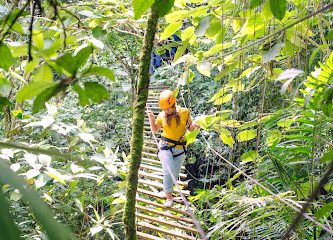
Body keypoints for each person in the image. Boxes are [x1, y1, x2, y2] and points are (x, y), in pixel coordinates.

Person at [146, 89, 199, 207]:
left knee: (174, 175)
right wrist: (151, 118)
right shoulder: (161, 115)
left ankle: (167, 191)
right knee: (167, 171)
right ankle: (169, 198)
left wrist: (195, 126)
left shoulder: (185, 112)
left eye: (168, 108)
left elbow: (190, 128)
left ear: (174, 104)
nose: (166, 111)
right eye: (164, 109)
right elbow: (155, 130)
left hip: (180, 148)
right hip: (165, 146)